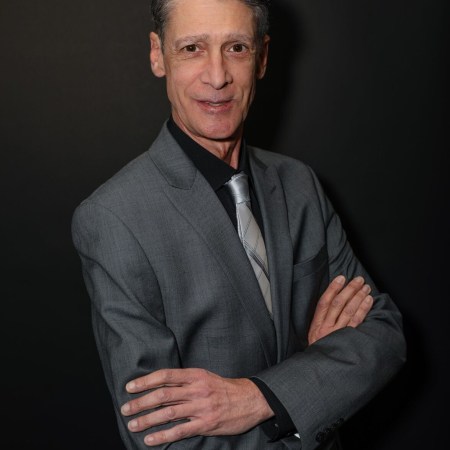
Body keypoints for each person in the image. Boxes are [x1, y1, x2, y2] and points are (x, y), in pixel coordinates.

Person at [72, 0, 406, 449]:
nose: (217, 76)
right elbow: (161, 439)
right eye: (192, 48)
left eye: (236, 48)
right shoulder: (114, 218)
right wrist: (316, 375)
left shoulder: (299, 184)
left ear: (262, 57)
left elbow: (383, 334)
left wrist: (258, 398)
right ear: (157, 55)